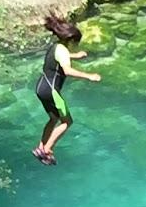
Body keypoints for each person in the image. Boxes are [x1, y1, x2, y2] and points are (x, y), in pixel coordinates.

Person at [33, 14, 101, 165]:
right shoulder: (63, 50)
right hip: (51, 90)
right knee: (67, 121)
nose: (75, 45)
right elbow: (67, 70)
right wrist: (89, 76)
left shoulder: (55, 46)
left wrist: (76, 56)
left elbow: (60, 56)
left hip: (40, 87)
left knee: (53, 118)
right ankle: (47, 150)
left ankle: (40, 147)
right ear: (70, 40)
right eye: (75, 43)